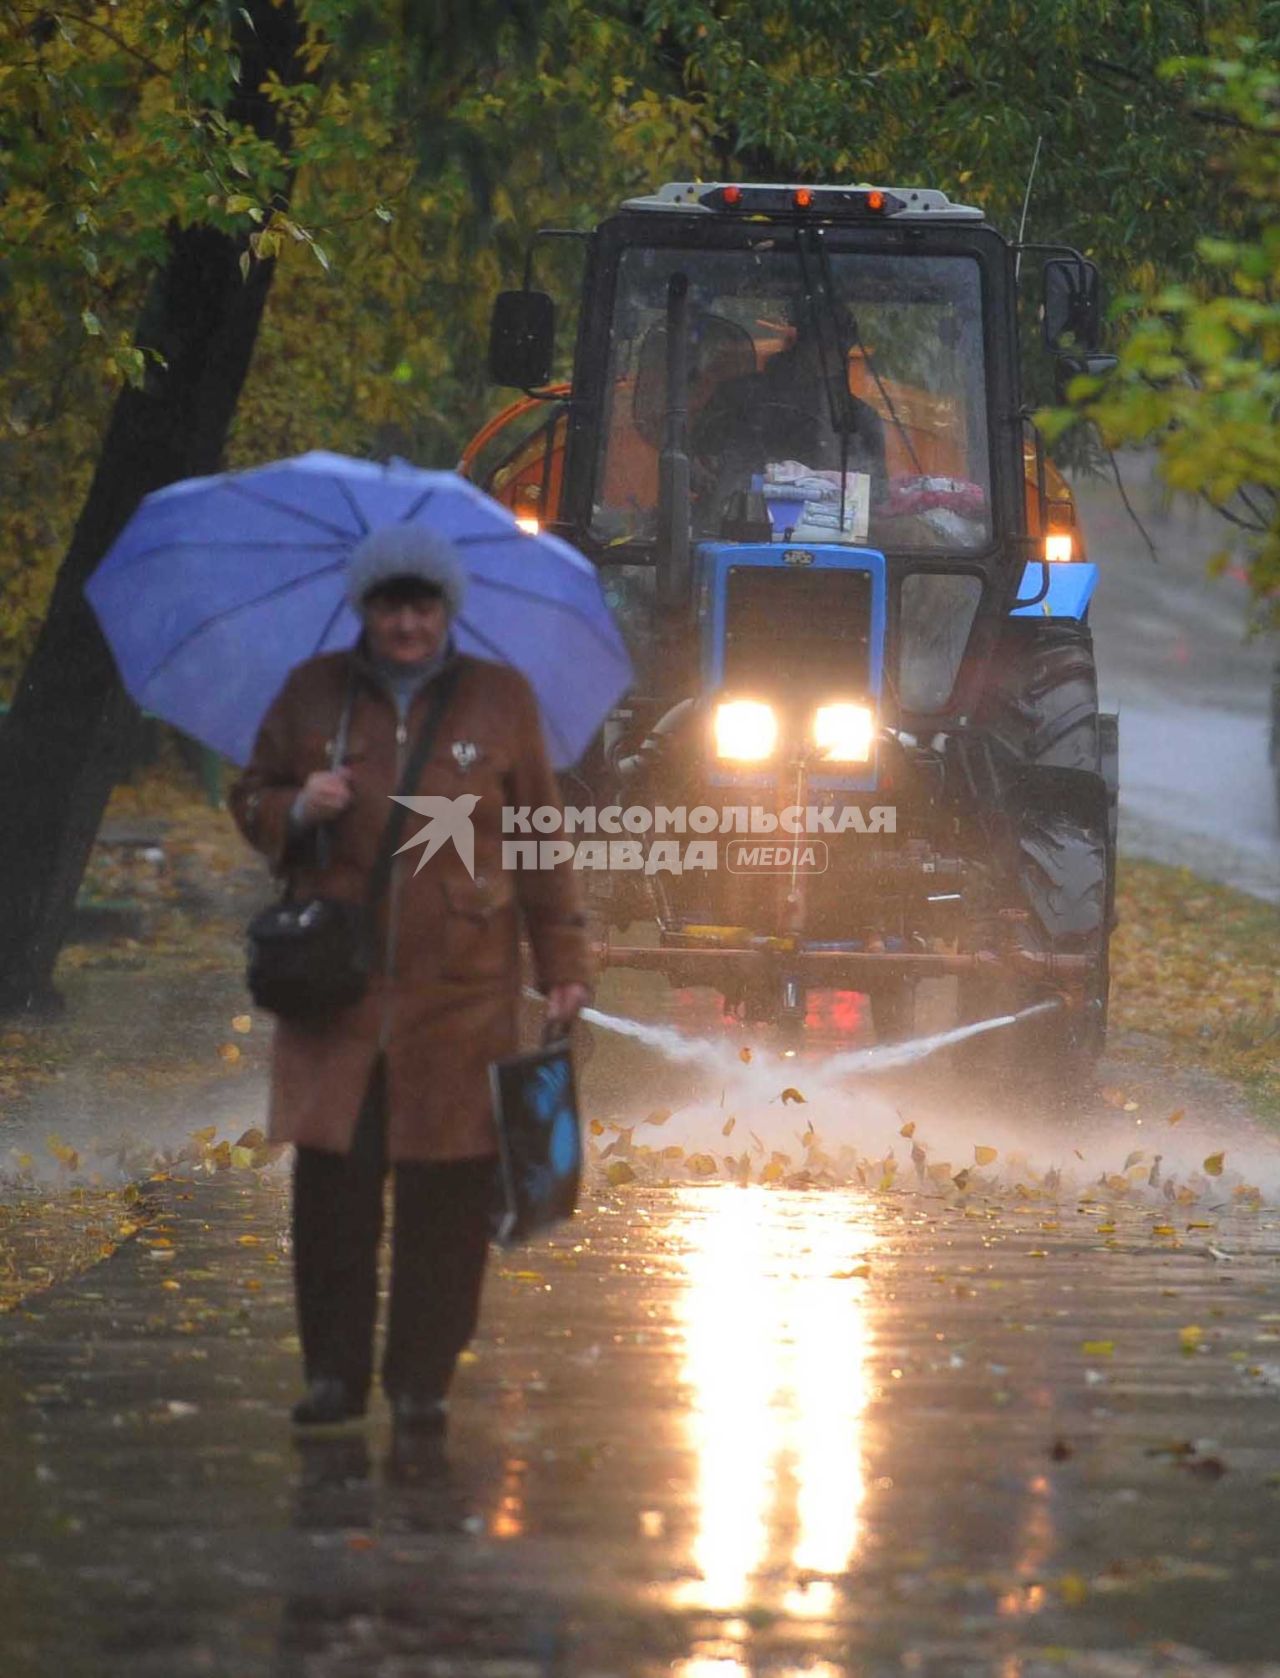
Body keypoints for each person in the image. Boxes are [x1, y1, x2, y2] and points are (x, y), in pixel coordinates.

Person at [230, 525, 591, 1435]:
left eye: (422, 606)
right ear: (365, 610)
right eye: (390, 606)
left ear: (447, 611)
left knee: (448, 1209)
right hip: (335, 996)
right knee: (332, 1208)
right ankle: (334, 1383)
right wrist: (295, 806)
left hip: (460, 1004)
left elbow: (544, 843)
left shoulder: (500, 702)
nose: (405, 624)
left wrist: (565, 966)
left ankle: (422, 1381)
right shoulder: (313, 694)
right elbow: (249, 796)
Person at [692, 314, 887, 526]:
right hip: (728, 530)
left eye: (835, 348)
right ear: (797, 341)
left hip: (833, 539)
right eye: (818, 345)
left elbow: (875, 495)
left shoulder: (860, 419)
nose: (826, 357)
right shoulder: (737, 398)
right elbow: (693, 465)